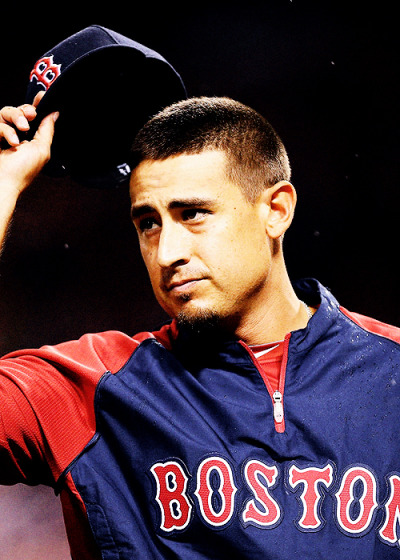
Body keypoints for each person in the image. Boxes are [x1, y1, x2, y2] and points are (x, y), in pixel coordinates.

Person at [1, 95, 400, 560]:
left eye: (191, 214)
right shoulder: (90, 388)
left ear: (276, 210)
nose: (167, 251)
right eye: (148, 223)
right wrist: (4, 183)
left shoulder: (392, 370)